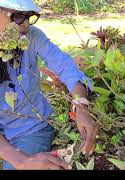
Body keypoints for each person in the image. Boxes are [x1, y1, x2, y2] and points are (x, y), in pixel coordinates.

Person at [0, 0, 98, 170]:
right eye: (17, 17)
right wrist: (21, 161)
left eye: (29, 17)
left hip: (29, 128)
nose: (25, 26)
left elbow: (66, 67)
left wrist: (81, 105)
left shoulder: (32, 36)